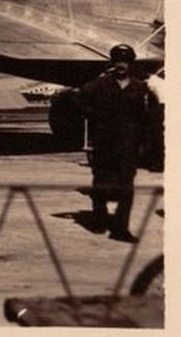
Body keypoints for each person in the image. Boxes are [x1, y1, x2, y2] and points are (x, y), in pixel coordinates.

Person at [79, 44, 151, 242]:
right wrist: (94, 117)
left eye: (125, 61)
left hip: (128, 145)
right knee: (101, 183)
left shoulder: (140, 87)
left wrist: (144, 143)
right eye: (118, 61)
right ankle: (99, 220)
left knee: (127, 186)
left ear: (131, 64)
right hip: (104, 143)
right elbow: (80, 99)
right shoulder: (100, 84)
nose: (121, 65)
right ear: (112, 62)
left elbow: (146, 118)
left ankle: (121, 229)